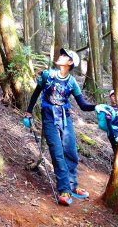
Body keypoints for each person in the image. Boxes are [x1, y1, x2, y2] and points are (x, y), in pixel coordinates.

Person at [24, 48, 96, 206]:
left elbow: (83, 105)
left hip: (65, 118)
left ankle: (72, 186)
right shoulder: (47, 76)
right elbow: (36, 93)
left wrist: (97, 107)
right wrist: (28, 113)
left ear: (70, 63)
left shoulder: (72, 82)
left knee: (71, 152)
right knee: (57, 153)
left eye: (65, 56)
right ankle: (64, 190)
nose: (60, 56)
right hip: (49, 117)